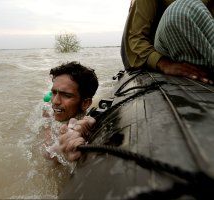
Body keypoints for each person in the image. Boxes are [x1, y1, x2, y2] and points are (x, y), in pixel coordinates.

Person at [60, 0, 214, 162]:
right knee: (181, 9)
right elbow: (134, 41)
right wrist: (163, 63)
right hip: (169, 50)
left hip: (205, 52)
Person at [121, 0, 214, 84]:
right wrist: (163, 63)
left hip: (202, 51)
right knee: (181, 8)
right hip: (164, 51)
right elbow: (135, 38)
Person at [40, 61, 99, 164]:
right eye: (54, 93)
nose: (55, 101)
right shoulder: (47, 112)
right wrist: (58, 148)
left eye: (66, 95)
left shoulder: (83, 124)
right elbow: (45, 148)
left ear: (85, 103)